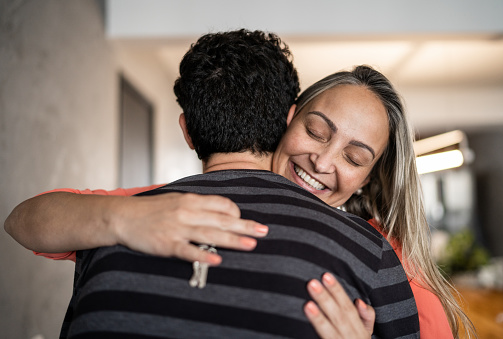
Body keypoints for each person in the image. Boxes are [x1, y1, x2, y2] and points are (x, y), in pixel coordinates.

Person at [5, 36, 475, 339]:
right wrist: (121, 217)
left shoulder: (386, 261)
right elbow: (25, 220)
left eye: (354, 157)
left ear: (369, 177)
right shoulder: (154, 213)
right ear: (286, 120)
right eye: (315, 131)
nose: (322, 161)